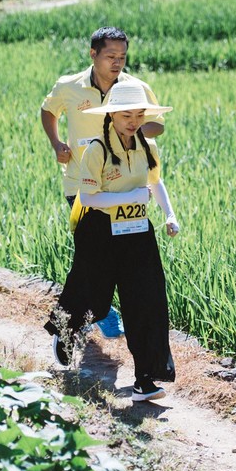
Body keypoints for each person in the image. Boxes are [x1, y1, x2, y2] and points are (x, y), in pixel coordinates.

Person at [44, 82, 179, 403]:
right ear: (112, 116)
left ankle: (144, 379)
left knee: (147, 302)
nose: (133, 121)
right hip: (100, 232)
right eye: (126, 115)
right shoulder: (97, 149)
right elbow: (88, 196)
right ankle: (66, 333)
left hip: (137, 232)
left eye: (138, 115)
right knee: (93, 297)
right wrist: (130, 196)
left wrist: (170, 215)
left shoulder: (147, 146)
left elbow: (155, 183)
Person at [40, 27, 166, 341]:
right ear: (93, 54)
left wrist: (131, 125)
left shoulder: (135, 88)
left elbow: (157, 126)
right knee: (92, 254)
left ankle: (92, 315)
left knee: (108, 257)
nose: (117, 62)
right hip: (81, 187)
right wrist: (57, 144)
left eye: (122, 57)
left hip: (124, 187)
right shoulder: (68, 86)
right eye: (110, 56)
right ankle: (99, 314)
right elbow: (47, 111)